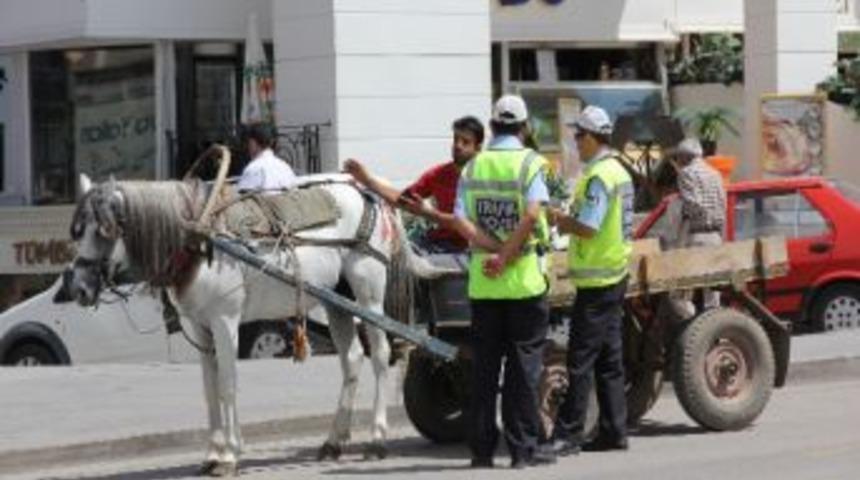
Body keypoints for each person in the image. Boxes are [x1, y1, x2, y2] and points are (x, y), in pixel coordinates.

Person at [421, 95, 555, 469]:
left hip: (483, 285)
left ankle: (481, 451)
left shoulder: (473, 167)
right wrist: (508, 253)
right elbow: (532, 215)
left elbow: (460, 222)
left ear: (492, 126)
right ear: (524, 127)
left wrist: (491, 251)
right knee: (523, 371)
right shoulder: (532, 163)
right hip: (525, 283)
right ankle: (522, 451)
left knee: (484, 371)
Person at [547, 105, 634, 455]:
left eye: (578, 135)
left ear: (593, 137)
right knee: (609, 361)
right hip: (615, 275)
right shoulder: (619, 171)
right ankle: (614, 431)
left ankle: (568, 435)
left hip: (598, 283)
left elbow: (588, 226)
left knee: (580, 361)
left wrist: (559, 220)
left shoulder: (600, 176)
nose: (575, 141)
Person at [342, 116, 485, 253]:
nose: (457, 146)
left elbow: (462, 224)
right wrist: (367, 180)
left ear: (478, 148)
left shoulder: (486, 177)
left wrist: (426, 212)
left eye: (465, 142)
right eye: (455, 140)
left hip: (473, 249)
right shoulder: (438, 174)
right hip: (439, 244)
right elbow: (403, 200)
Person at [666, 137, 726, 310]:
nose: (677, 161)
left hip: (696, 237)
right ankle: (711, 331)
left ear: (685, 157)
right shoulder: (715, 174)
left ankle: (691, 327)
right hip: (715, 237)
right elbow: (723, 205)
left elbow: (693, 205)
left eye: (678, 157)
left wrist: (682, 214)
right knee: (712, 296)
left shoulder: (686, 173)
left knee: (680, 294)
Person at [236, 122, 298, 193]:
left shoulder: (253, 169)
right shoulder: (285, 167)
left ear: (253, 143)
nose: (247, 146)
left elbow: (242, 199)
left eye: (248, 142)